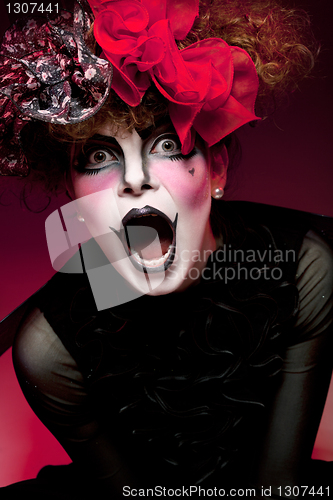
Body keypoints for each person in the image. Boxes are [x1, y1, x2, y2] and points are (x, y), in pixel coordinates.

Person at [0, 0, 332, 498]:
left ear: (216, 170)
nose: (134, 180)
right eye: (98, 155)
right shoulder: (50, 351)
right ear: (71, 194)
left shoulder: (304, 271)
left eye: (167, 145)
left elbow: (279, 487)